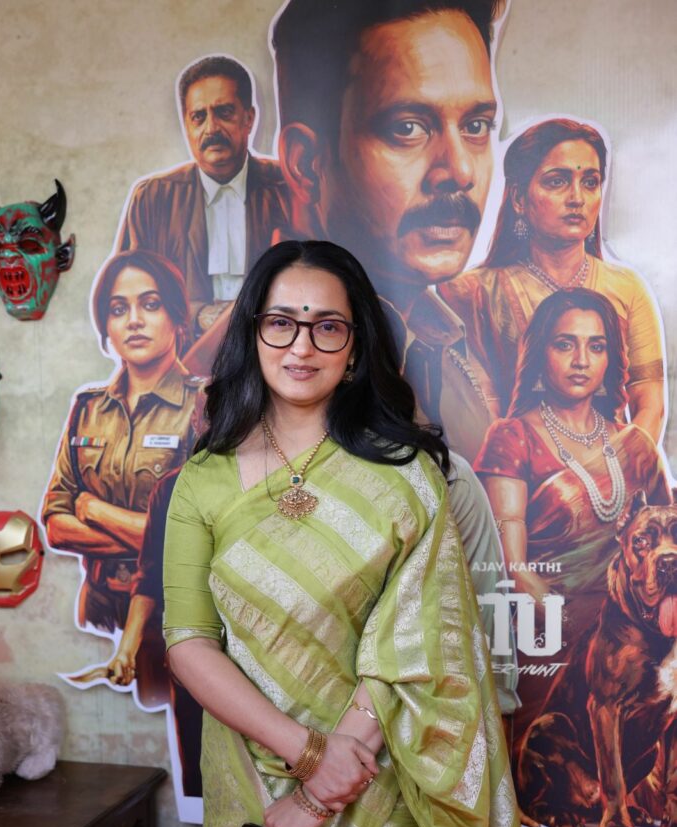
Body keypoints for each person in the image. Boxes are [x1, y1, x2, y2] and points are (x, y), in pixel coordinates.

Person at [163, 239, 548, 827]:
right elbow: (188, 642)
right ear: (253, 333)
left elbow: (423, 645)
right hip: (252, 782)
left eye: (326, 327)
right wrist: (306, 756)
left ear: (354, 348)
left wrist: (325, 785)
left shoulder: (408, 475)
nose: (301, 346)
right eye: (281, 322)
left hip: (378, 795)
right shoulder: (202, 479)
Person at [271, 0, 506, 461]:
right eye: (408, 128)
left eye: (476, 126)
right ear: (307, 165)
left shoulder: (450, 345)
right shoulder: (275, 365)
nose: (460, 171)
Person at [442, 118, 666, 442]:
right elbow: (479, 417)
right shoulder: (471, 292)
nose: (577, 198)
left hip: (616, 467)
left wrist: (617, 466)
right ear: (519, 198)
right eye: (557, 181)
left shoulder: (627, 288)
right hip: (508, 467)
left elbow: (650, 405)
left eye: (590, 182)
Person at [43, 250, 204, 692]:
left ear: (176, 316)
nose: (134, 320)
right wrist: (149, 538)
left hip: (171, 616)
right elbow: (55, 524)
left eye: (150, 304)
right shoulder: (88, 408)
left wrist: (93, 509)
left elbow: (191, 537)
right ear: (106, 326)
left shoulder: (203, 405)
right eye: (118, 309)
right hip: (96, 609)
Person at [474, 287, 670, 628]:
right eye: (565, 345)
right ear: (540, 353)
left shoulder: (636, 446)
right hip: (549, 633)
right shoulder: (513, 437)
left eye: (596, 346)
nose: (581, 360)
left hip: (640, 632)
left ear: (609, 358)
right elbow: (512, 569)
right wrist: (579, 627)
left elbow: (670, 546)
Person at [117, 54, 289, 339]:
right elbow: (127, 295)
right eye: (199, 117)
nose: (211, 129)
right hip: (183, 356)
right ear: (186, 125)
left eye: (224, 112)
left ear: (249, 119)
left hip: (272, 350)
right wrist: (198, 315)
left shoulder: (288, 187)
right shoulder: (153, 199)